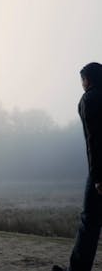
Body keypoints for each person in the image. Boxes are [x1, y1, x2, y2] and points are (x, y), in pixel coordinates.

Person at [53, 62, 102, 271]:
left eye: (81, 80)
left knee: (89, 222)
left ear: (87, 80)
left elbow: (94, 141)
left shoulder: (89, 100)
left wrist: (98, 177)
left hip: (101, 171)